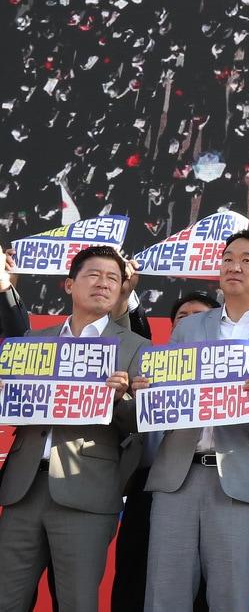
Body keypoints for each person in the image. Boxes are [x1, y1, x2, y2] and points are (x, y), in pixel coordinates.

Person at [140, 229, 249, 612]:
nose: (234, 266)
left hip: (244, 480)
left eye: (247, 259)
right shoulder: (190, 328)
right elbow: (167, 396)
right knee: (165, 594)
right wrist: (151, 390)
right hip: (177, 474)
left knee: (232, 596)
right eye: (228, 258)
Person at [0, 246, 147, 612]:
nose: (103, 283)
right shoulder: (33, 342)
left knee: (77, 602)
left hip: (87, 489)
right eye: (93, 275)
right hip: (24, 486)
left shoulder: (136, 347)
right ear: (69, 285)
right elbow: (16, 410)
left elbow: (139, 426)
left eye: (113, 278)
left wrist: (121, 399)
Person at [111, 292, 219, 612]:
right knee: (134, 573)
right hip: (147, 484)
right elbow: (134, 330)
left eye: (199, 315)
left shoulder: (229, 374)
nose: (188, 320)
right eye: (181, 316)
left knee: (196, 582)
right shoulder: (150, 365)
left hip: (200, 481)